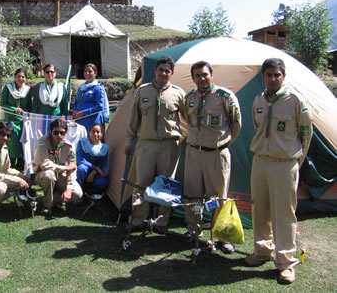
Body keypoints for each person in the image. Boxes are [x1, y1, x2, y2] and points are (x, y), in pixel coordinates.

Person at [245, 58, 313, 284]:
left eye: (277, 74)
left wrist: (296, 163)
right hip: (261, 161)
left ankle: (285, 262)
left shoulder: (295, 100)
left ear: (284, 76)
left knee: (284, 214)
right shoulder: (258, 100)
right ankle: (263, 250)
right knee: (260, 209)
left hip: (285, 164)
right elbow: (258, 127)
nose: (273, 78)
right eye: (268, 75)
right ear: (263, 77)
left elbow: (306, 134)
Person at [182, 61, 242, 253]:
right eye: (197, 75)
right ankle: (194, 230)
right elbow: (186, 118)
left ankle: (221, 236)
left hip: (216, 154)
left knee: (218, 198)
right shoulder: (189, 97)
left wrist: (223, 144)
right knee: (192, 195)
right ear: (193, 78)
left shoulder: (225, 97)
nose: (202, 78)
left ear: (212, 75)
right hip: (193, 153)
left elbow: (236, 124)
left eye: (205, 74)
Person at [125, 56, 185, 233]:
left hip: (169, 145)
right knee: (141, 182)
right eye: (161, 69)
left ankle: (161, 222)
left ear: (172, 73)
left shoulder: (178, 93)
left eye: (168, 71)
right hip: (146, 144)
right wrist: (129, 141)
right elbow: (133, 120)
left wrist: (180, 138)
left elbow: (188, 120)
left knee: (166, 184)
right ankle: (138, 220)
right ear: (155, 70)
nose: (164, 73)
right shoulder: (142, 91)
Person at [36, 118, 83, 216]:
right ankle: (47, 206)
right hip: (43, 174)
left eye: (62, 133)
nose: (59, 135)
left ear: (66, 133)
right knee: (49, 175)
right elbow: (44, 164)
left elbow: (73, 168)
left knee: (78, 194)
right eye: (56, 132)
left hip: (60, 175)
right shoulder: (42, 142)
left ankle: (54, 199)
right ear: (50, 132)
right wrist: (65, 168)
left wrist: (69, 189)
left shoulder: (69, 146)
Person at [0, 68, 32, 171]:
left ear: (25, 78)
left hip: (23, 120)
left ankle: (21, 164)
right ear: (15, 77)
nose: (20, 79)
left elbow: (29, 106)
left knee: (23, 141)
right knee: (12, 141)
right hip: (11, 119)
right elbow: (3, 104)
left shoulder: (27, 90)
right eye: (18, 76)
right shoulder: (8, 88)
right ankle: (11, 163)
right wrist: (14, 109)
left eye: (23, 77)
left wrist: (23, 110)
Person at [72, 63, 110, 132]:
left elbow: (99, 106)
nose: (87, 73)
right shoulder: (81, 88)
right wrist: (74, 111)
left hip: (93, 121)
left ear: (95, 73)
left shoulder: (97, 88)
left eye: (90, 71)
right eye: (85, 71)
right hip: (80, 120)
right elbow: (77, 102)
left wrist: (83, 112)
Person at [76, 123, 109, 194]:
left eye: (98, 132)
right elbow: (80, 159)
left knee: (102, 183)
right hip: (86, 169)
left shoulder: (104, 148)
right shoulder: (82, 143)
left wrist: (94, 172)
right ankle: (81, 191)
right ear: (89, 132)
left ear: (101, 134)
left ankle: (91, 192)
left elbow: (103, 163)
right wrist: (95, 167)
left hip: (97, 172)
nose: (95, 134)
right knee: (81, 169)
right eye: (93, 131)